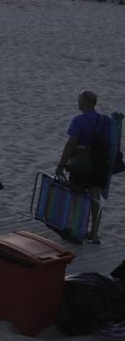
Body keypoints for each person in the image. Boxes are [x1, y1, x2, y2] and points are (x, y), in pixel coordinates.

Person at [58, 90, 111, 243]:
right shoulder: (105, 121)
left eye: (80, 100)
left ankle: (76, 229)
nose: (78, 103)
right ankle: (94, 233)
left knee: (76, 195)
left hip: (82, 163)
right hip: (100, 164)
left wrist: (62, 163)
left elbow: (71, 143)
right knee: (95, 197)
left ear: (85, 103)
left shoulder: (79, 120)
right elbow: (110, 144)